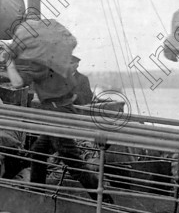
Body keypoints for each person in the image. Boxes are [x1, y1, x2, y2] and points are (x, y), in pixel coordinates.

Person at [11, 60, 108, 202]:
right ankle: (36, 197)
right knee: (38, 152)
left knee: (73, 162)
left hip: (59, 116)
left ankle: (103, 200)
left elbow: (19, 82)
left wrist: (9, 65)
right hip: (57, 114)